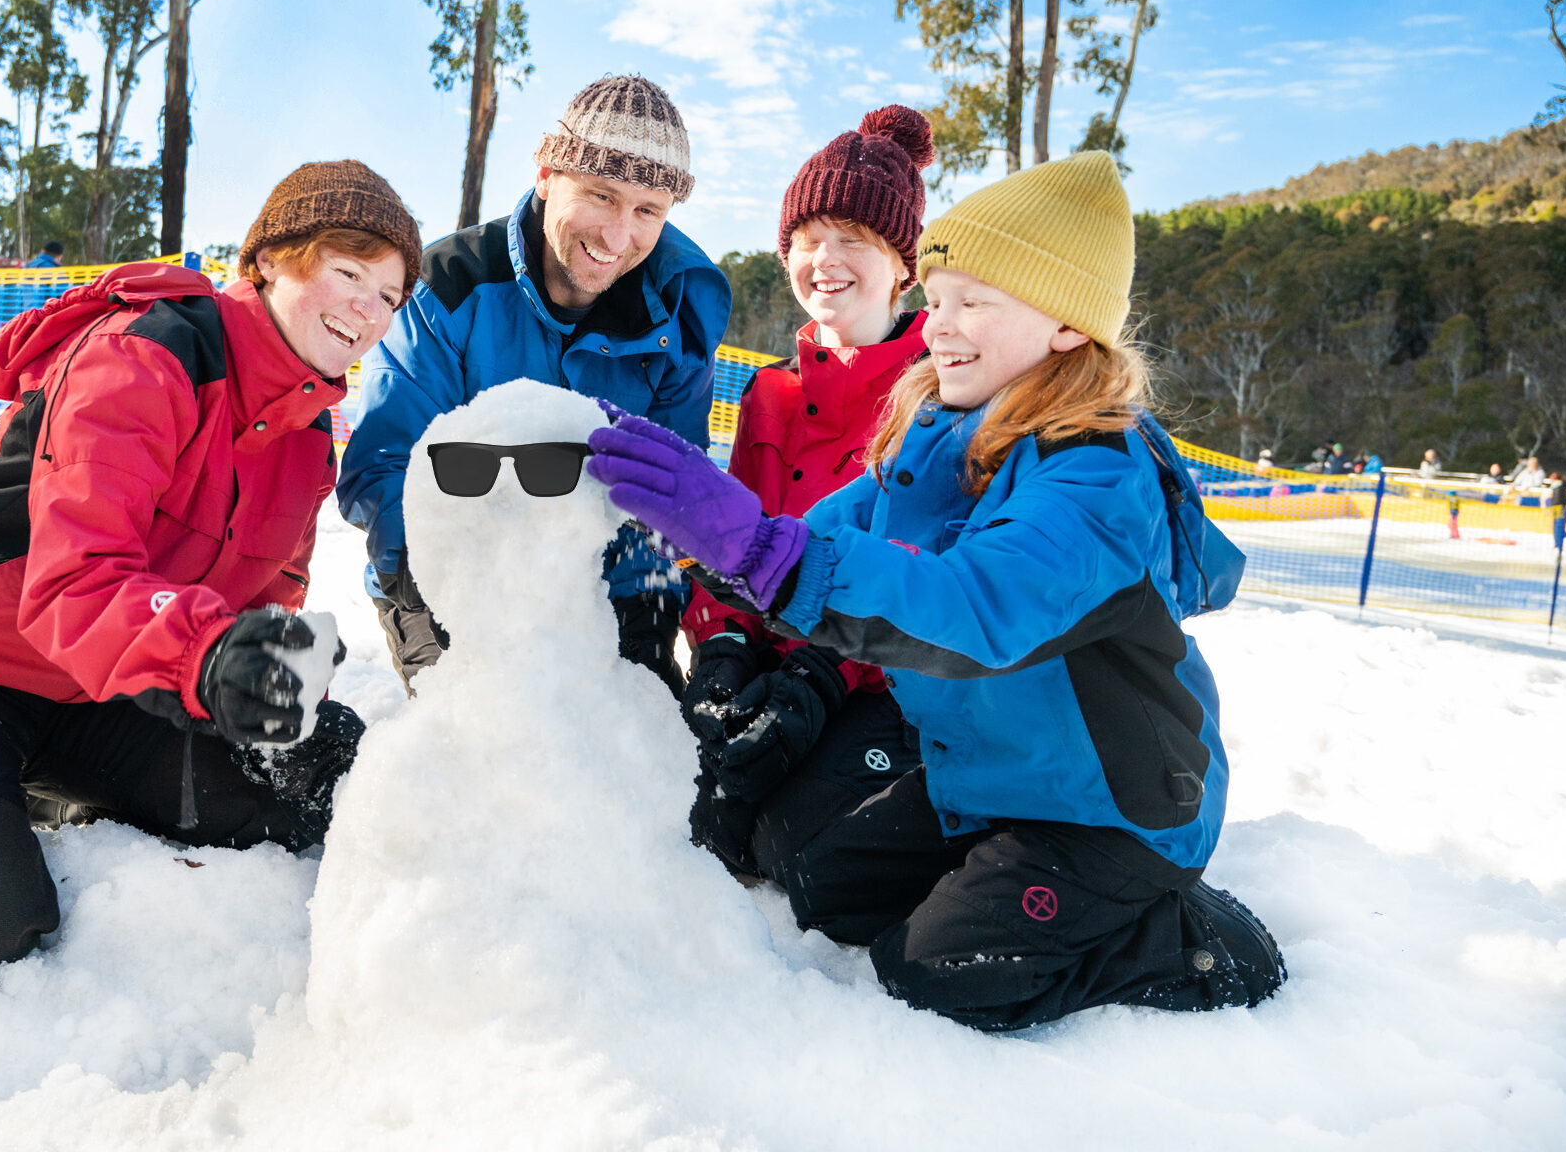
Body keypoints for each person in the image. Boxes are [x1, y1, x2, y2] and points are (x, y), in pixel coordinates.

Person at [586, 152, 1284, 1030]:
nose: (938, 326)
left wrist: (756, 546)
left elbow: (974, 609)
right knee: (813, 875)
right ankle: (1000, 882)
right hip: (988, 772)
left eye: (974, 304)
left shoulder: (1099, 476)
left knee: (934, 975)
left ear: (1067, 325)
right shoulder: (938, 433)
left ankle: (1181, 937)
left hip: (1108, 810)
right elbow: (823, 540)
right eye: (939, 298)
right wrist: (703, 530)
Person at [0, 161, 421, 1009]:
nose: (367, 314)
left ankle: (21, 788)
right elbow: (73, 587)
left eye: (389, 296)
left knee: (325, 779)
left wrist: (268, 667)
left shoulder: (306, 438)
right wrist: (210, 652)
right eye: (349, 275)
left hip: (98, 687)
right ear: (270, 259)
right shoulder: (147, 356)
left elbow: (256, 610)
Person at [339, 74, 730, 695]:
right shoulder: (447, 287)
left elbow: (669, 490)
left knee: (634, 762)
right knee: (482, 744)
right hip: (444, 573)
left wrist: (646, 623)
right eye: (601, 195)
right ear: (548, 174)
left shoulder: (679, 315)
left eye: (647, 210)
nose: (618, 235)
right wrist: (443, 590)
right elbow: (384, 465)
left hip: (604, 587)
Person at [675, 105, 936, 879]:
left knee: (804, 853)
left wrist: (824, 673)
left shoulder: (940, 393)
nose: (826, 259)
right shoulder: (772, 393)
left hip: (888, 679)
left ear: (902, 265)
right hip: (776, 661)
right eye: (808, 238)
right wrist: (722, 646)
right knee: (696, 815)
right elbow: (735, 537)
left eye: (854, 238)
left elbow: (935, 574)